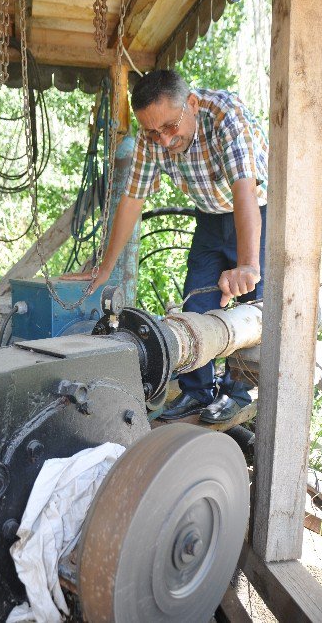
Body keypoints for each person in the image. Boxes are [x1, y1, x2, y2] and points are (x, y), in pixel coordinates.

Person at [65, 70, 268, 423]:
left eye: (170, 127)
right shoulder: (153, 136)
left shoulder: (225, 116)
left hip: (259, 211)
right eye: (153, 131)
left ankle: (237, 394)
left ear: (190, 104)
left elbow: (244, 192)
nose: (163, 140)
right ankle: (197, 392)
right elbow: (131, 201)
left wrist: (248, 264)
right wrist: (106, 265)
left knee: (255, 305)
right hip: (209, 214)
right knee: (196, 300)